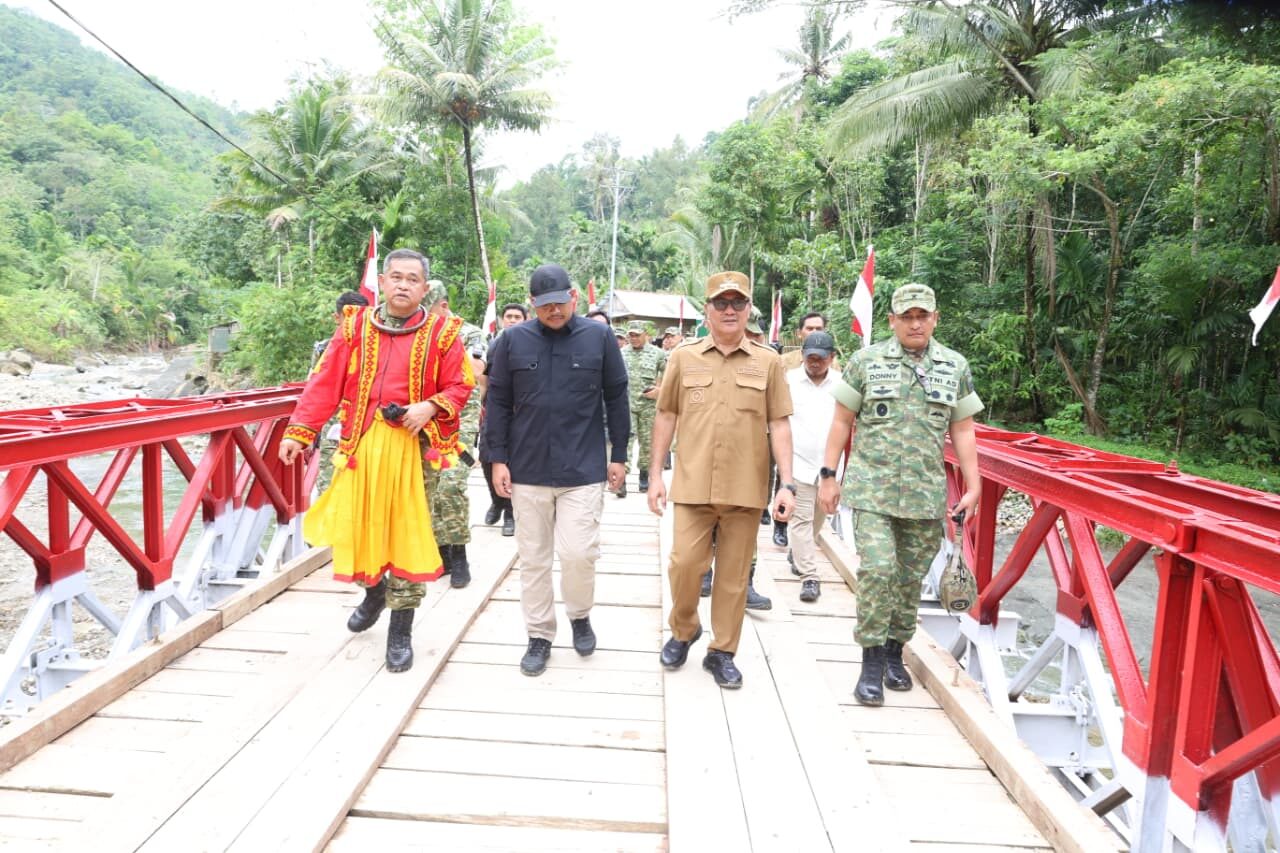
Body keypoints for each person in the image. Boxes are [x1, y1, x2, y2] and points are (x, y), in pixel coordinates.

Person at [279, 249, 474, 673]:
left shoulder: (443, 333)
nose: (403, 285)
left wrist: (430, 406)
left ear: (425, 288)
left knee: (407, 533)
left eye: (412, 279)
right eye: (396, 277)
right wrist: (299, 430)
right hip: (360, 446)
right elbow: (325, 383)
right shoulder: (353, 327)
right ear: (382, 283)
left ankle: (400, 629)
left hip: (415, 449)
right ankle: (374, 591)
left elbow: (461, 385)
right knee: (354, 526)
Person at [818, 283, 982, 707]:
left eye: (922, 316)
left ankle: (895, 652)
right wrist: (828, 475)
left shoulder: (955, 366)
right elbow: (841, 422)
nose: (915, 323)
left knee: (909, 580)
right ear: (891, 320)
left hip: (924, 495)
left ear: (935, 318)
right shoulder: (866, 362)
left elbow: (963, 429)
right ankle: (870, 662)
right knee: (878, 570)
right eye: (906, 316)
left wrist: (974, 484)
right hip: (872, 489)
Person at [648, 271, 796, 689]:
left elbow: (779, 423)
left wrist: (787, 484)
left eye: (738, 303)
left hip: (746, 488)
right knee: (683, 565)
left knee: (733, 578)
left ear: (748, 309)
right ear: (708, 309)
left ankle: (722, 652)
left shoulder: (767, 361)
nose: (730, 310)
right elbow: (666, 414)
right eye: (721, 303)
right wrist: (656, 475)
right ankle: (684, 629)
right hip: (693, 483)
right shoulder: (683, 357)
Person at [484, 263, 629, 677]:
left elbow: (617, 396)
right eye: (545, 304)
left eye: (560, 303)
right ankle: (539, 635)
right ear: (532, 303)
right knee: (533, 559)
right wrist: (497, 459)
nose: (554, 310)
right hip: (527, 468)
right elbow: (497, 402)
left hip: (582, 467)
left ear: (573, 298)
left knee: (579, 553)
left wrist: (619, 454)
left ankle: (579, 615)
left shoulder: (599, 337)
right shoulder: (512, 341)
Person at [422, 280, 486, 589]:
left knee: (450, 487)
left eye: (427, 309)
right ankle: (441, 553)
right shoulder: (415, 333)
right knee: (429, 489)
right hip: (425, 424)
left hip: (460, 424)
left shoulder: (468, 333)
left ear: (443, 306)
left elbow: (475, 370)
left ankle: (459, 554)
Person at [784, 330, 841, 603]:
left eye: (820, 358)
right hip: (797, 461)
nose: (814, 363)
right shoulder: (789, 381)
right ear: (802, 356)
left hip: (830, 467)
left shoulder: (842, 384)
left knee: (819, 518)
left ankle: (797, 552)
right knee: (801, 519)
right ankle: (809, 576)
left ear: (832, 357)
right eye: (810, 358)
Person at [311, 290, 369, 495]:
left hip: (366, 426)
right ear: (337, 318)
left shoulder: (377, 346)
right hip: (334, 427)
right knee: (330, 486)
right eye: (349, 317)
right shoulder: (326, 348)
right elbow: (317, 388)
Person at [479, 303, 529, 535]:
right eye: (509, 316)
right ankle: (496, 501)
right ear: (501, 320)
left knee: (512, 462)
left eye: (517, 316)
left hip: (520, 411)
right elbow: (484, 378)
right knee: (487, 457)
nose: (512, 320)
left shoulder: (530, 343)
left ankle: (510, 512)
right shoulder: (493, 344)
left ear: (525, 320)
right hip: (494, 407)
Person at [622, 320, 666, 497]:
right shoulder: (621, 353)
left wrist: (660, 390)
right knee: (625, 441)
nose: (633, 338)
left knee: (647, 442)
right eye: (631, 335)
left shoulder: (658, 354)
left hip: (648, 406)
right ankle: (622, 478)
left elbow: (668, 375)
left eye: (637, 335)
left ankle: (644, 476)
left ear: (645, 335)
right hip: (627, 405)